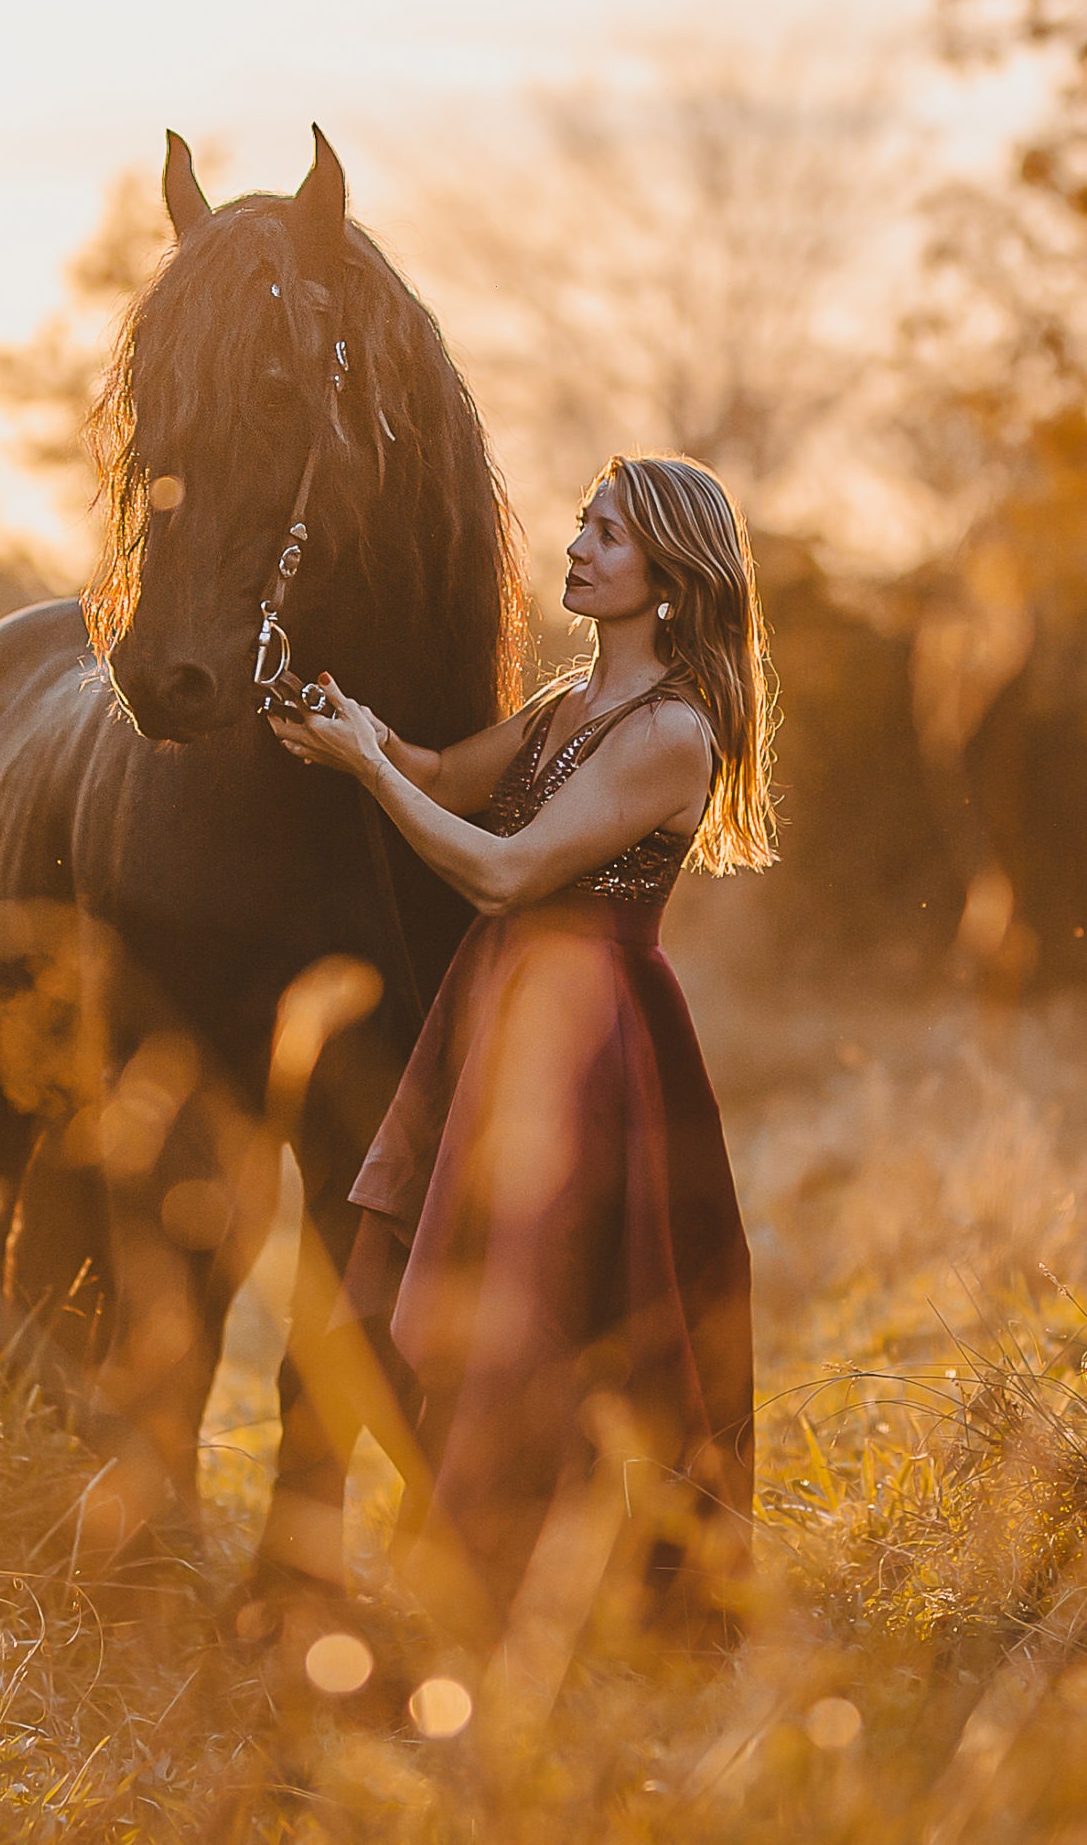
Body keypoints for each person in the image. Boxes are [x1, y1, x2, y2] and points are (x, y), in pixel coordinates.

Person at [273, 453, 773, 1653]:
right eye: (584, 524)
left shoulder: (673, 733)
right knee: (471, 1294)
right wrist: (359, 730)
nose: (577, 545)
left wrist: (364, 772)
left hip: (591, 1038)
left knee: (557, 1301)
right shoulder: (565, 708)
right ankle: (487, 1572)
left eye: (606, 534)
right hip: (505, 1015)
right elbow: (448, 777)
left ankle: (553, 1594)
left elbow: (502, 871)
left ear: (668, 575)